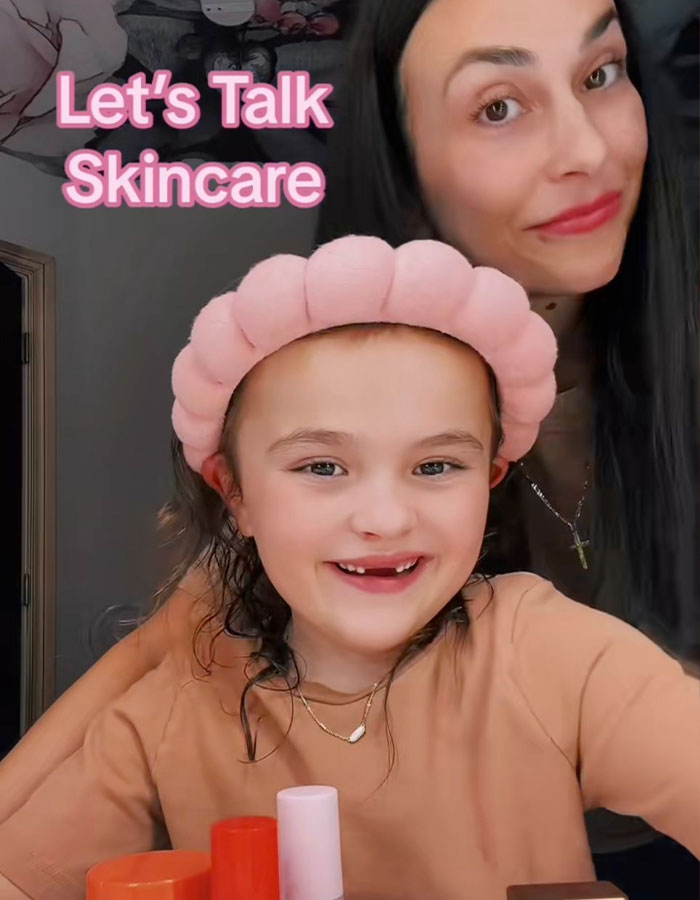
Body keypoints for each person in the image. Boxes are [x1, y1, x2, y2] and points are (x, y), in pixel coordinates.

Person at [0, 0, 697, 896]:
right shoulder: (173, 711)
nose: (383, 515)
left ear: (492, 478)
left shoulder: (547, 651)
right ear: (235, 494)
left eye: (436, 465)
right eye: (322, 466)